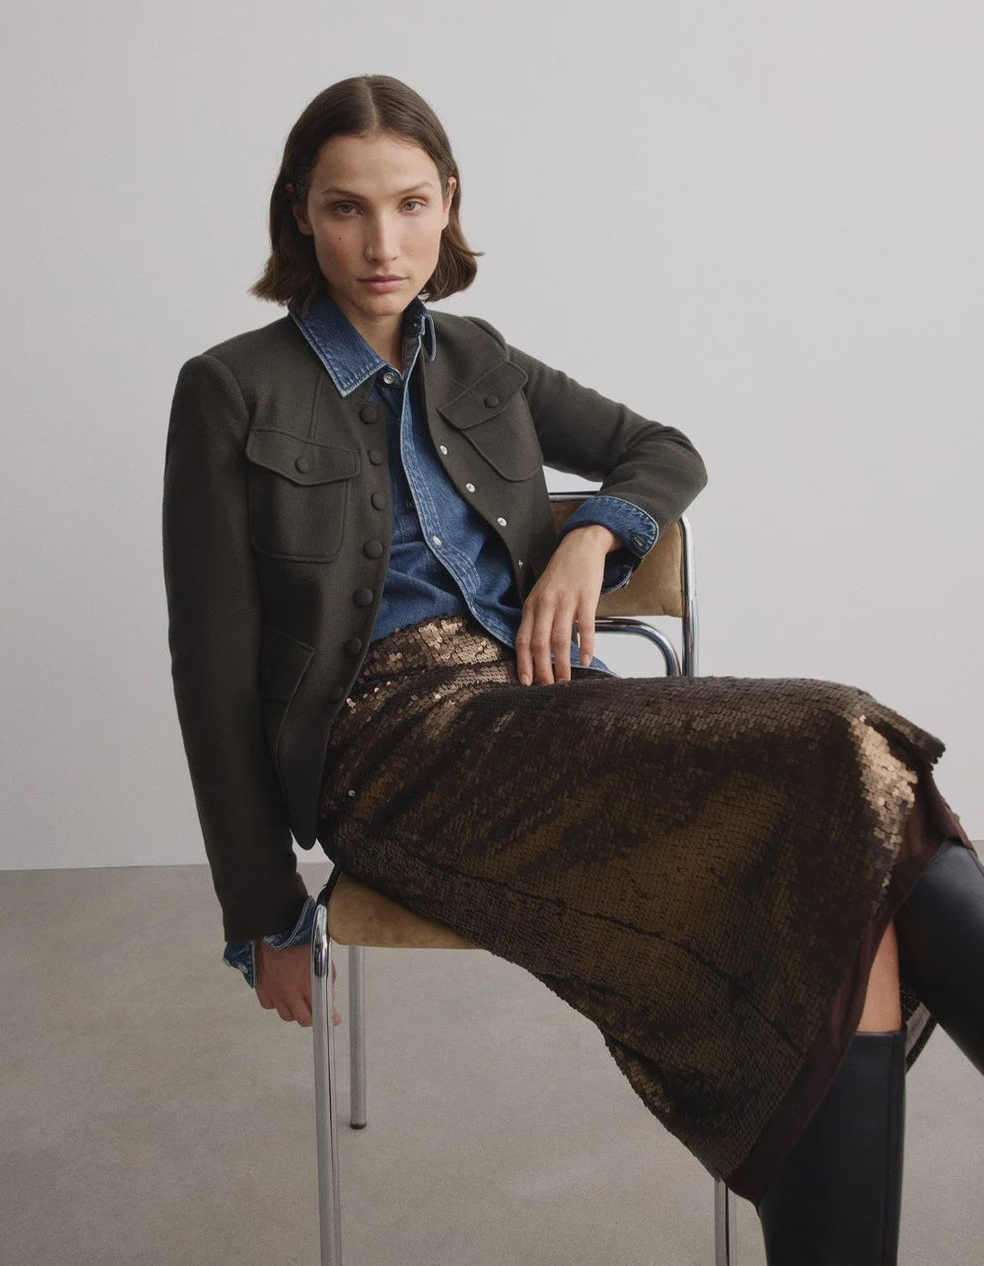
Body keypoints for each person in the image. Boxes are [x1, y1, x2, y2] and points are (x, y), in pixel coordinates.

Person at [163, 74, 983, 1264]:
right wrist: (263, 914)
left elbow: (664, 451)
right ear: (299, 214)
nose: (381, 243)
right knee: (838, 737)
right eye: (345, 209)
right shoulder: (232, 388)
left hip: (546, 712)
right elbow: (211, 665)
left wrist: (593, 537)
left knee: (846, 862)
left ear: (448, 205)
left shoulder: (479, 359)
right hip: (393, 752)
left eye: (408, 204)